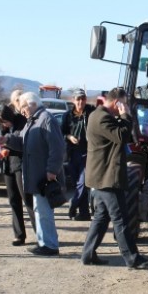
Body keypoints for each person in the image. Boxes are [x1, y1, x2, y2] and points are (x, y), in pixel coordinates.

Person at [81, 87, 148, 268]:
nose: (126, 106)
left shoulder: (99, 116)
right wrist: (126, 115)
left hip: (103, 177)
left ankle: (87, 254)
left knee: (101, 218)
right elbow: (121, 136)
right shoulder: (102, 118)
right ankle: (132, 258)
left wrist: (122, 118)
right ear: (117, 102)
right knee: (121, 219)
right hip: (107, 177)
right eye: (124, 102)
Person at [0, 92, 66, 256]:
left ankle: (49, 245)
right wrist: (6, 140)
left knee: (44, 212)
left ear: (31, 104)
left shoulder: (46, 119)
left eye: (22, 107)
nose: (21, 111)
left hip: (44, 176)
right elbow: (22, 142)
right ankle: (44, 243)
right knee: (40, 210)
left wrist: (51, 170)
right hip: (36, 176)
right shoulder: (33, 121)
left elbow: (57, 148)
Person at [0, 101, 36, 246]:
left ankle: (41, 233)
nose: (4, 125)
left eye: (5, 122)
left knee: (27, 200)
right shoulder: (3, 127)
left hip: (20, 164)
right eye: (2, 123)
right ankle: (19, 235)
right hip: (8, 165)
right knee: (13, 201)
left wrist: (8, 147)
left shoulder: (21, 122)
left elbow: (23, 143)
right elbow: (3, 140)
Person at [61, 88, 94, 221]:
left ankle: (73, 205)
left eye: (83, 99)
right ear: (73, 100)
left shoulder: (91, 112)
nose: (80, 101)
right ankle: (84, 213)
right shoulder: (67, 116)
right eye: (78, 99)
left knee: (83, 182)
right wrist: (69, 137)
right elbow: (61, 133)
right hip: (73, 153)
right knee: (78, 184)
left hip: (88, 153)